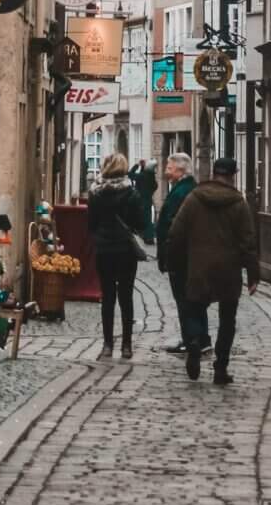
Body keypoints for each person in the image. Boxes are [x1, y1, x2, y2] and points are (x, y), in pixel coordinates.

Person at [164, 154, 258, 385]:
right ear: (233, 176)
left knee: (194, 307)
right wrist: (253, 274)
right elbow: (248, 241)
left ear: (213, 174)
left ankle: (195, 340)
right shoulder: (238, 203)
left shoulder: (195, 198)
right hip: (228, 269)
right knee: (227, 319)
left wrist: (173, 261)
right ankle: (220, 368)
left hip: (198, 266)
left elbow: (176, 232)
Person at [86, 151, 147, 359]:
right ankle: (127, 346)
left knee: (108, 297)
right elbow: (140, 222)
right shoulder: (131, 193)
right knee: (126, 297)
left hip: (104, 250)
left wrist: (99, 237)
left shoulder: (95, 193)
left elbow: (91, 224)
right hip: (125, 250)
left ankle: (107, 345)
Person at [155, 149, 204, 355]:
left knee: (185, 298)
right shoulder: (185, 188)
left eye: (169, 167)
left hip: (180, 254)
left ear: (180, 170)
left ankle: (191, 339)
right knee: (192, 298)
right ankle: (199, 338)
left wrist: (167, 253)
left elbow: (173, 225)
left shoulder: (182, 192)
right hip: (186, 253)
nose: (166, 171)